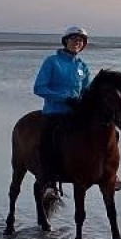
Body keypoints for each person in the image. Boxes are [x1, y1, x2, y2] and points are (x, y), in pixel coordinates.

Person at [33, 26, 92, 180]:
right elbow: (39, 88)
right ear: (66, 41)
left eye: (80, 41)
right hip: (55, 112)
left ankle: (109, 174)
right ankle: (48, 180)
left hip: (76, 113)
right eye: (74, 39)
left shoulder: (82, 66)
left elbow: (87, 91)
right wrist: (64, 98)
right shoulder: (52, 62)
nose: (77, 43)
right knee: (49, 142)